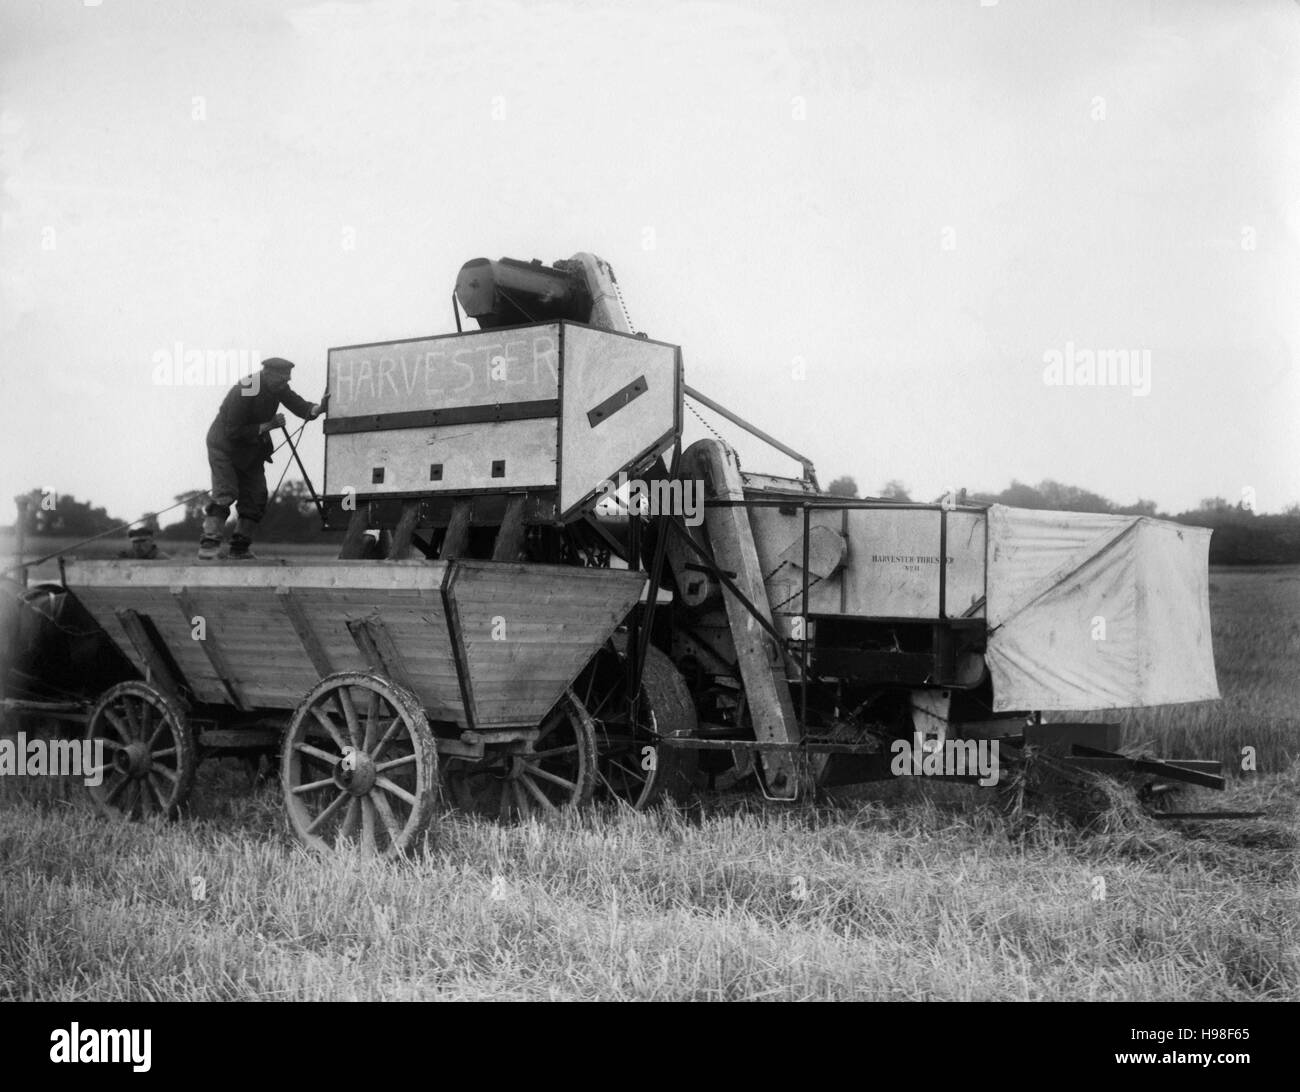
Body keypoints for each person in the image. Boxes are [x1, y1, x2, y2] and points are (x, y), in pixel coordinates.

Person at [199, 358, 327, 560]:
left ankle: (240, 547)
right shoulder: (249, 387)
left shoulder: (277, 387)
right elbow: (233, 430)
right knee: (226, 492)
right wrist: (269, 425)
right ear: (267, 374)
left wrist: (319, 408)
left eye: (288, 380)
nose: (285, 384)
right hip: (225, 447)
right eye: (282, 379)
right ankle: (209, 545)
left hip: (251, 449)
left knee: (256, 496)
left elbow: (299, 405)